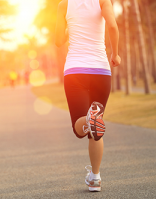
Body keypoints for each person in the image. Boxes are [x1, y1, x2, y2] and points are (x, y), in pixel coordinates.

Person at [55, 0, 120, 192]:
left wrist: (70, 30)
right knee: (95, 127)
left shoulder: (64, 4)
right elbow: (113, 26)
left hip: (75, 71)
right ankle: (95, 178)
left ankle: (91, 119)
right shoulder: (102, 1)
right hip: (101, 71)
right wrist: (116, 54)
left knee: (81, 128)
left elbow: (58, 41)